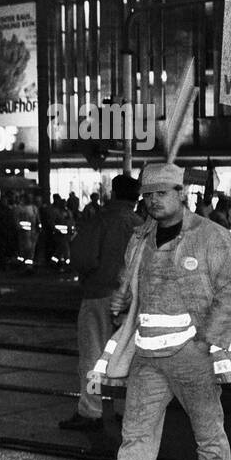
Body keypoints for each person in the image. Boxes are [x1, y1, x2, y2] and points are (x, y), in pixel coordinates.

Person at [76, 162, 231, 460]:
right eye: (148, 195)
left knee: (208, 433)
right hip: (148, 356)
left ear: (181, 193)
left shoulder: (212, 236)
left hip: (193, 357)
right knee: (135, 439)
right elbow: (128, 286)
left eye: (161, 193)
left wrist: (207, 343)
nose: (153, 201)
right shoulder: (139, 237)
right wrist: (122, 302)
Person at [62, 174, 142, 431]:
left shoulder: (101, 220)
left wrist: (85, 278)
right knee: (123, 357)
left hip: (99, 294)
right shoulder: (141, 225)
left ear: (114, 193)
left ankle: (91, 411)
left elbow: (84, 257)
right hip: (130, 299)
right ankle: (119, 409)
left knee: (92, 353)